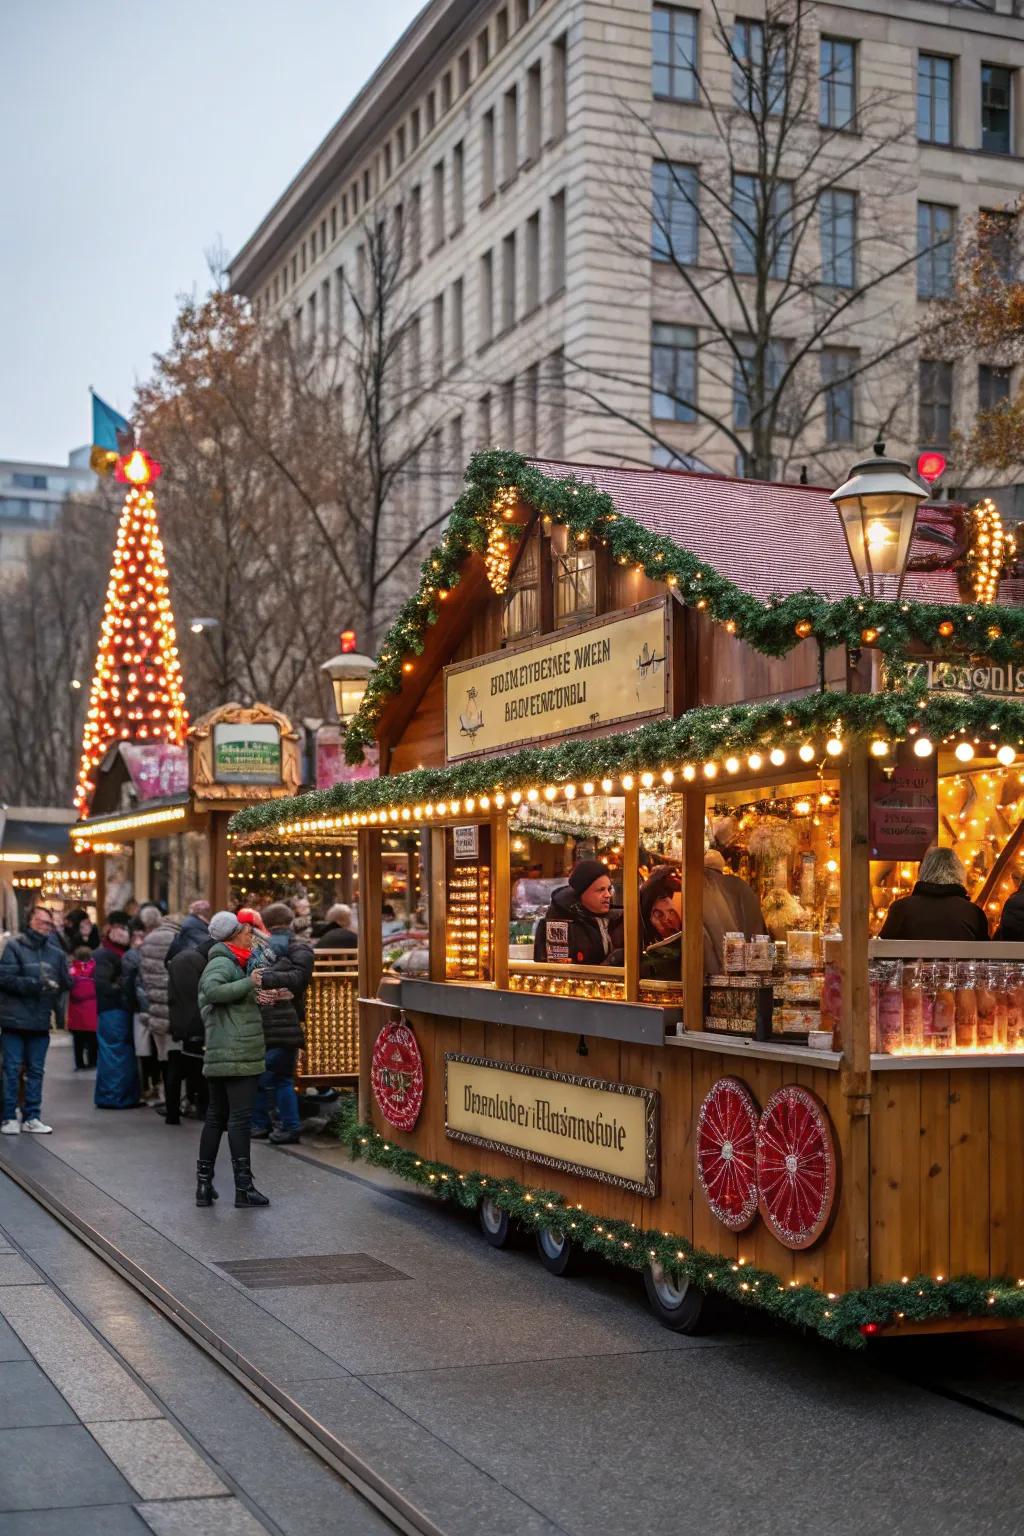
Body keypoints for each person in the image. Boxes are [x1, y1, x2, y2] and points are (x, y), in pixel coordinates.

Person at [196, 911, 270, 1209]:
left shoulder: (231, 962)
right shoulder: (222, 962)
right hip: (237, 1053)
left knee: (216, 1117)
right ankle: (243, 1188)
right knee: (238, 1120)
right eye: (246, 932)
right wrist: (249, 984)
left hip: (223, 1053)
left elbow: (228, 1004)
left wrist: (257, 996)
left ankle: (204, 1185)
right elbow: (212, 991)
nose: (250, 937)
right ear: (233, 935)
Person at [0, 905, 69, 1134]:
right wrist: (35, 985)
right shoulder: (14, 947)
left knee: (36, 1070)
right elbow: (5, 978)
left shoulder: (56, 953)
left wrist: (69, 982)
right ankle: (9, 1116)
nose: (45, 927)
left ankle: (32, 1116)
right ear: (30, 922)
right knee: (12, 1069)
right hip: (14, 1020)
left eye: (48, 923)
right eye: (41, 922)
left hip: (40, 1020)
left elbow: (64, 982)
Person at [252, 902, 315, 1146]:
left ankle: (272, 1123)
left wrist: (263, 978)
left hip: (266, 1020)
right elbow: (299, 978)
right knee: (280, 1078)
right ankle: (282, 1124)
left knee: (265, 1075)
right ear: (291, 921)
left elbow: (296, 979)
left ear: (264, 924)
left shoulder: (257, 948)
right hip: (286, 1022)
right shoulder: (299, 947)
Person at [880, 846, 989, 941]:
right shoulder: (973, 913)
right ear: (959, 872)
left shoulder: (901, 909)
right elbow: (986, 957)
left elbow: (883, 952)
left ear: (923, 870)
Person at [532, 859, 623, 966]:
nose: (607, 895)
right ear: (582, 892)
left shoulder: (617, 918)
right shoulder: (559, 921)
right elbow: (556, 969)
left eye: (609, 889)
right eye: (600, 890)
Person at [93, 912, 141, 1109]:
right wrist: (122, 986)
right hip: (113, 1010)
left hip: (115, 1010)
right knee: (116, 1053)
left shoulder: (114, 952)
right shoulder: (105, 954)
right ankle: (115, 1097)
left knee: (118, 1053)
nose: (124, 933)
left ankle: (119, 1096)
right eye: (120, 928)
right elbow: (102, 984)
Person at [166, 936, 213, 1125]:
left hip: (179, 1022)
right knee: (197, 1068)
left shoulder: (180, 959)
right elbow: (200, 996)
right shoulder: (198, 963)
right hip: (196, 1023)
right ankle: (202, 1108)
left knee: (177, 1068)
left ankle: (173, 1111)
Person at [140, 912, 182, 1113]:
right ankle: (177, 1099)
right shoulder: (179, 939)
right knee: (178, 1055)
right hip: (175, 1006)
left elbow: (143, 974)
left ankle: (165, 1096)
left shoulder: (148, 940)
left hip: (155, 1005)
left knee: (162, 1054)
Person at [703, 852, 769, 973]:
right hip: (753, 970)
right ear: (721, 867)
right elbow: (759, 930)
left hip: (719, 973)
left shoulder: (704, 886)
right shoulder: (741, 885)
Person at [127, 906, 162, 1101]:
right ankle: (158, 1087)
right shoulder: (170, 939)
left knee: (145, 1051)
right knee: (160, 1051)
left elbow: (137, 981)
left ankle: (147, 1087)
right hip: (163, 1005)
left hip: (145, 1006)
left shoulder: (142, 949)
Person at [67, 946, 99, 1070]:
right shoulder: (95, 969)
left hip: (76, 1010)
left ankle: (79, 1063)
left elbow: (67, 985)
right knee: (92, 1039)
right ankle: (92, 1062)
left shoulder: (72, 970)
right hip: (91, 1009)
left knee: (78, 1040)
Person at [165, 900, 212, 965]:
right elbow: (203, 942)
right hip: (189, 960)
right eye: (207, 910)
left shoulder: (196, 921)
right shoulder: (193, 923)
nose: (209, 912)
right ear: (200, 911)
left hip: (186, 958)